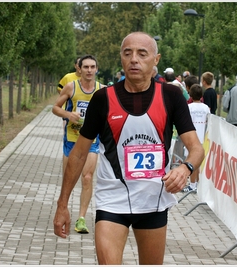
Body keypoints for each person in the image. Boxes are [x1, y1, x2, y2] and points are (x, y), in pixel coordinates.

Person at [53, 31, 205, 265]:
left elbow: (196, 148)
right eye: (127, 53)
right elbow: (79, 154)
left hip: (153, 200)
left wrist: (185, 168)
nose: (134, 59)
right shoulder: (103, 98)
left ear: (156, 59)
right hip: (112, 200)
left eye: (142, 53)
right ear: (121, 59)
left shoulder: (171, 96)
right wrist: (62, 204)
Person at [52, 54, 103, 234]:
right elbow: (55, 108)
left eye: (92, 67)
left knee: (87, 177)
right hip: (72, 139)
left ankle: (82, 218)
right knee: (69, 179)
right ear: (79, 69)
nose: (89, 70)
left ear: (97, 69)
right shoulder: (71, 87)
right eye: (86, 67)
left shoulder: (102, 90)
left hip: (92, 141)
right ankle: (63, 207)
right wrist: (69, 115)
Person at [182, 84, 210, 193]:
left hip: (191, 138)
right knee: (198, 162)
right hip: (202, 137)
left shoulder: (189, 107)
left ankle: (192, 185)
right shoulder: (206, 107)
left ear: (191, 95)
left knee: (192, 162)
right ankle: (197, 183)